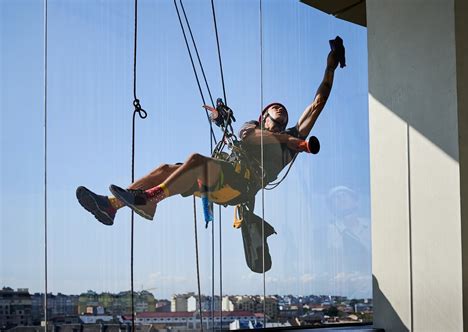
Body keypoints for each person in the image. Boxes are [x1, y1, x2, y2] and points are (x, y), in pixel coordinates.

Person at [76, 36, 346, 226]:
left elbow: (317, 104)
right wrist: (289, 139)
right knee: (166, 168)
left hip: (240, 185)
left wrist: (330, 67)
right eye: (275, 111)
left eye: (284, 114)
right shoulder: (252, 128)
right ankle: (111, 206)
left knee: (195, 160)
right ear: (264, 117)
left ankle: (151, 199)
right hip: (226, 180)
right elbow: (251, 139)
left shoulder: (292, 140)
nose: (281, 112)